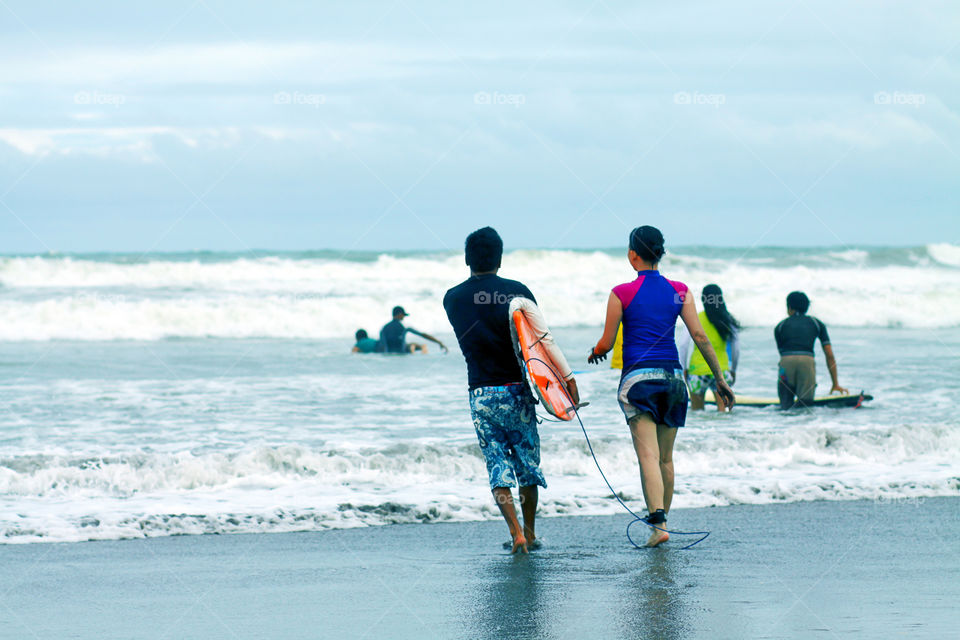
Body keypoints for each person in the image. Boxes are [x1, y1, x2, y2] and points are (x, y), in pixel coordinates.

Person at [587, 225, 734, 547]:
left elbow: (607, 342)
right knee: (666, 459)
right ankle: (662, 521)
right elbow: (699, 337)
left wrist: (595, 352)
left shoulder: (621, 293)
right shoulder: (679, 290)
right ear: (661, 253)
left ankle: (659, 525)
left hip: (639, 381)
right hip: (673, 382)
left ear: (632, 255)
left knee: (647, 458)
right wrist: (720, 379)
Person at [443, 227, 579, 554]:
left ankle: (515, 532)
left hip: (480, 395)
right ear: (500, 258)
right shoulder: (517, 291)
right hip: (517, 391)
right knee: (527, 464)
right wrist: (569, 380)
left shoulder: (452, 298)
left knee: (497, 465)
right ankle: (530, 533)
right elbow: (543, 340)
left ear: (466, 258)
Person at [775, 291, 847, 409]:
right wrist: (835, 384)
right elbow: (829, 355)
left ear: (789, 307)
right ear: (807, 307)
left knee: (785, 406)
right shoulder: (816, 323)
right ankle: (806, 426)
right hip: (806, 362)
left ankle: (783, 426)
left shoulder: (780, 326)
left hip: (786, 362)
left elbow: (782, 352)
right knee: (805, 405)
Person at [678, 284, 740, 411]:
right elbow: (736, 348)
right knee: (724, 413)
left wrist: (683, 368)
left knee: (697, 413)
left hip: (697, 372)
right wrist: (733, 369)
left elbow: (683, 345)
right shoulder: (727, 319)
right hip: (721, 371)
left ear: (702, 299)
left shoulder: (695, 318)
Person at [378, 306, 448, 354]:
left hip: (388, 357)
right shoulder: (404, 326)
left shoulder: (383, 328)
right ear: (399, 314)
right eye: (403, 315)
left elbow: (383, 346)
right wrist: (438, 342)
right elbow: (422, 334)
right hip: (402, 355)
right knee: (416, 346)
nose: (403, 317)